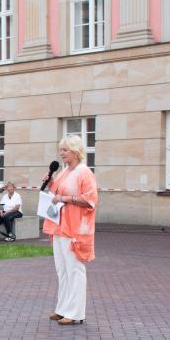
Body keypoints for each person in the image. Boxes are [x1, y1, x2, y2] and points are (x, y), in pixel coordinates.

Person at [43, 135, 98, 326]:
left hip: (75, 228)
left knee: (74, 270)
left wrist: (65, 198)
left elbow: (90, 200)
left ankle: (76, 313)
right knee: (62, 270)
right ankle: (63, 308)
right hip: (59, 225)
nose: (62, 153)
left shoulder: (84, 173)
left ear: (75, 151)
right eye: (61, 150)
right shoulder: (64, 172)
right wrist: (50, 184)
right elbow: (56, 194)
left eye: (65, 150)